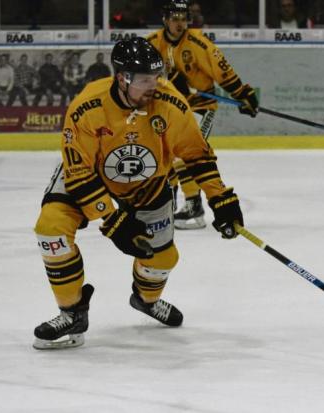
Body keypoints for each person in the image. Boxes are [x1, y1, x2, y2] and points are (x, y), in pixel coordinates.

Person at [32, 37, 245, 350]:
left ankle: (146, 301)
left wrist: (220, 198)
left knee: (164, 258)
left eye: (156, 76)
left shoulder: (170, 102)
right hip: (90, 178)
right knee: (50, 229)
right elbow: (77, 173)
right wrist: (112, 219)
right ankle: (72, 313)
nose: (154, 85)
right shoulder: (87, 106)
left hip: (148, 182)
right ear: (123, 78)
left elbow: (196, 154)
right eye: (145, 79)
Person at [147, 0, 258, 230]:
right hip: (170, 109)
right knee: (163, 155)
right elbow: (140, 72)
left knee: (184, 153)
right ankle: (167, 204)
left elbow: (223, 71)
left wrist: (243, 94)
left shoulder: (198, 43)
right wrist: (165, 80)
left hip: (200, 107)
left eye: (183, 18)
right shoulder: (152, 43)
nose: (180, 23)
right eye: (174, 18)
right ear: (165, 19)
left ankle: (194, 207)